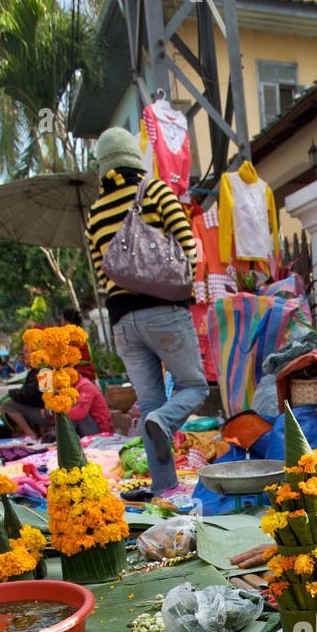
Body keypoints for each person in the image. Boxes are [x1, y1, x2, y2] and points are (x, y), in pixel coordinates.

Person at [85, 127, 205, 499]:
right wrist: (184, 283)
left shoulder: (97, 210)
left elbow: (100, 269)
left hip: (122, 321)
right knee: (194, 387)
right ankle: (163, 422)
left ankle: (164, 488)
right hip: (164, 311)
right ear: (133, 156)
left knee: (151, 400)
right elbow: (187, 243)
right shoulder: (152, 190)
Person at [0, 330, 54, 439]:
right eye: (24, 352)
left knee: (8, 404)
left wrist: (12, 394)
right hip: (42, 408)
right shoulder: (39, 369)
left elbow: (38, 393)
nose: (24, 355)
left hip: (47, 412)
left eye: (26, 352)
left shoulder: (44, 369)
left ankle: (30, 434)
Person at [61, 307, 97, 381]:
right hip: (89, 374)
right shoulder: (81, 333)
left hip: (81, 376)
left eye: (62, 321)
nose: (61, 325)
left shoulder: (71, 336)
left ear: (67, 322)